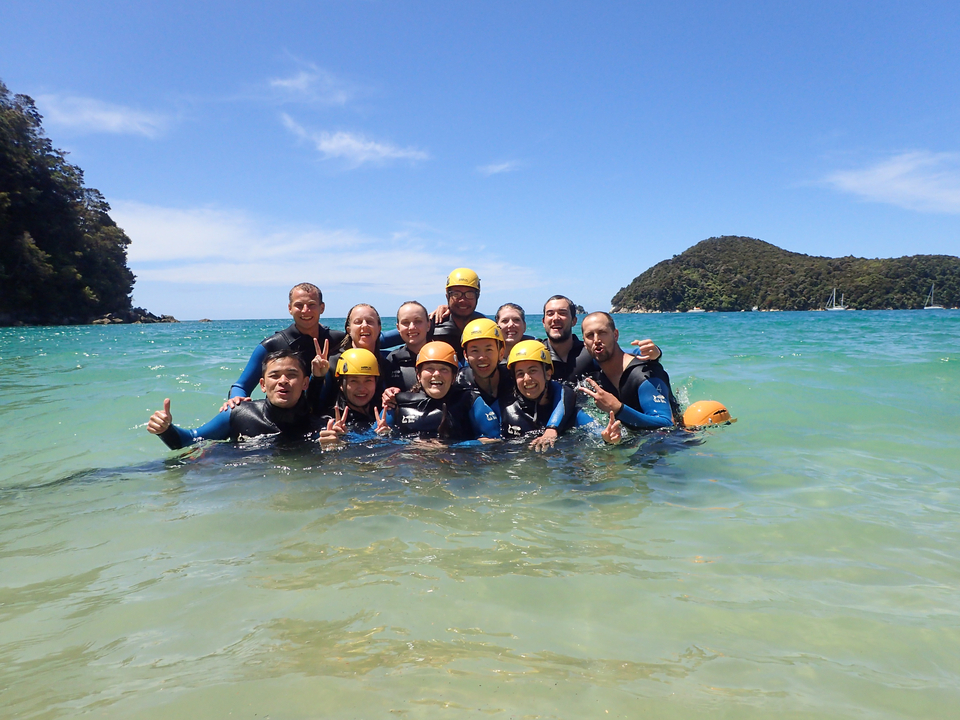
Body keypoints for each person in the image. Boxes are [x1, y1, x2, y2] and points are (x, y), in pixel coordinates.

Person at [226, 284, 401, 409]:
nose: (305, 311)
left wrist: (422, 327)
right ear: (289, 308)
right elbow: (241, 385)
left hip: (320, 412)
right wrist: (235, 400)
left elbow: (375, 339)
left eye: (311, 305)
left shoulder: (335, 338)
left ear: (322, 308)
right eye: (299, 305)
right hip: (286, 412)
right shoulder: (272, 345)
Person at [148, 349, 323, 450]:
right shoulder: (239, 414)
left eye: (291, 375)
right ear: (262, 384)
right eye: (274, 376)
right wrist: (165, 430)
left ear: (305, 383)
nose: (283, 381)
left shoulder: (321, 426)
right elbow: (187, 441)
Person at [501, 340, 621, 450]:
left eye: (533, 371)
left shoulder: (572, 414)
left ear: (548, 374)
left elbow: (599, 433)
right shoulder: (506, 410)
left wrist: (609, 440)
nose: (527, 379)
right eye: (520, 373)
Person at [576, 312, 680, 431]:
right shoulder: (594, 368)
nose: (596, 340)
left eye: (602, 333)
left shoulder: (644, 374)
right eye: (590, 335)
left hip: (672, 440)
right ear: (584, 343)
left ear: (615, 335)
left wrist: (618, 409)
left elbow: (667, 424)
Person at [379, 341, 500, 442]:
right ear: (418, 374)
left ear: (454, 377)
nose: (436, 374)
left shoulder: (469, 401)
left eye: (444, 369)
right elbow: (376, 439)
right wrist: (386, 436)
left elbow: (494, 440)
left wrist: (449, 446)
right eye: (430, 368)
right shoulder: (398, 403)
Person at [540, 295, 663, 384]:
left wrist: (655, 352)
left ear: (574, 321)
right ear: (544, 322)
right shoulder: (536, 352)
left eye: (562, 313)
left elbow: (625, 355)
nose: (556, 318)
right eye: (550, 314)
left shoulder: (589, 351)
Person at [316, 348, 386, 448]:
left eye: (368, 380)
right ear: (341, 384)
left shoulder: (382, 409)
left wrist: (388, 436)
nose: (362, 388)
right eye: (354, 381)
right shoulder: (330, 420)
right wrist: (337, 443)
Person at [430, 267, 485, 361]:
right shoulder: (431, 325)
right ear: (447, 296)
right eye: (456, 294)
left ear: (477, 296)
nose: (463, 300)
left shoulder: (486, 325)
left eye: (469, 294)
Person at [383, 301, 430, 391]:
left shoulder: (443, 355)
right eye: (405, 322)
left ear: (428, 325)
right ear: (398, 328)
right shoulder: (392, 360)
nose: (412, 327)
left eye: (418, 321)